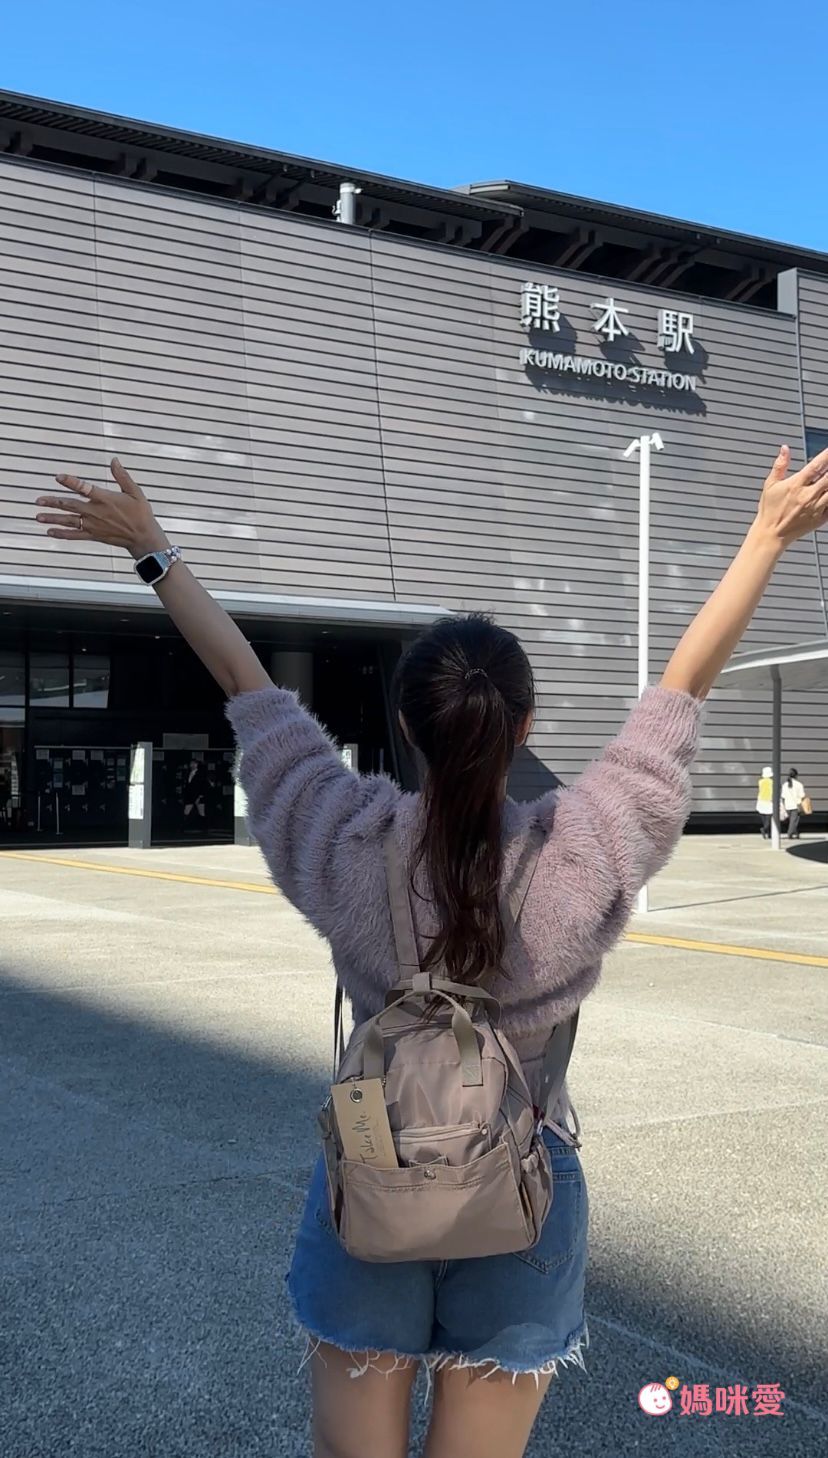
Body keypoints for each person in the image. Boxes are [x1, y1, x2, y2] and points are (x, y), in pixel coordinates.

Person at [33, 441, 828, 1458]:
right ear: (523, 727)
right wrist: (765, 537)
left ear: (406, 725)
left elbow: (245, 682)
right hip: (524, 1186)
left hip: (374, 1175)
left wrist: (153, 550)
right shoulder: (583, 852)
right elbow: (680, 695)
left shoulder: (340, 837)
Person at [782, 767, 807, 840]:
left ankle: (796, 833)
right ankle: (789, 833)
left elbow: (783, 796)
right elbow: (802, 795)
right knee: (794, 821)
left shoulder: (785, 784)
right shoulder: (799, 784)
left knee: (792, 821)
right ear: (796, 775)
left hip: (787, 805)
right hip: (796, 805)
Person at [756, 765, 774, 839]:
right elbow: (772, 791)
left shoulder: (760, 781)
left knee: (764, 818)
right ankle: (765, 829)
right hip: (769, 801)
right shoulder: (772, 782)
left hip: (761, 801)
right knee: (769, 818)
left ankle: (768, 833)